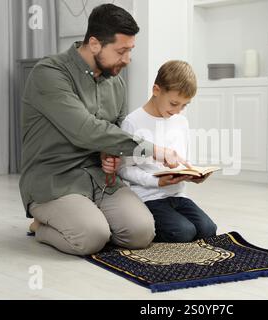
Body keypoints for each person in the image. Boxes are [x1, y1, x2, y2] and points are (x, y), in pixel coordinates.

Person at [19, 4, 188, 256]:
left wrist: (110, 155)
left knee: (141, 233)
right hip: (55, 181)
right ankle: (41, 225)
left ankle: (89, 219)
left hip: (101, 179)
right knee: (91, 238)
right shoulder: (49, 74)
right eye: (121, 51)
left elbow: (115, 130)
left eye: (130, 51)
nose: (127, 60)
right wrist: (155, 151)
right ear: (95, 44)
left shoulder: (116, 82)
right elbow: (86, 130)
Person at [114, 60, 217, 243]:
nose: (178, 111)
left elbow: (182, 159)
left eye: (184, 106)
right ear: (156, 90)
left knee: (208, 229)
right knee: (183, 232)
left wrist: (192, 174)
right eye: (174, 103)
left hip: (177, 195)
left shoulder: (180, 121)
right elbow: (124, 169)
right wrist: (156, 181)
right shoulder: (133, 122)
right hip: (148, 197)